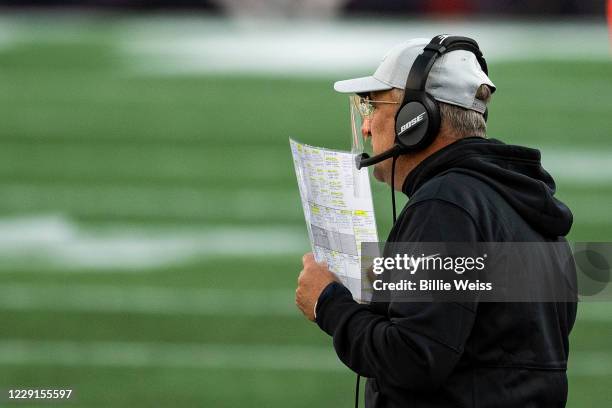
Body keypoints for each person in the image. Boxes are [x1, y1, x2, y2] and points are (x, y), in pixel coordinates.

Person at [295, 36, 577, 407]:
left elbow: (413, 358)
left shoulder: (447, 206)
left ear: (417, 119)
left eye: (373, 105)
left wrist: (328, 304)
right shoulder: (521, 202)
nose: (366, 127)